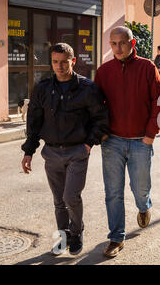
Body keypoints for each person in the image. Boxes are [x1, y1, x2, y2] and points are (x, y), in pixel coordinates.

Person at [21, 43, 109, 256]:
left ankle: (77, 232)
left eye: (63, 62)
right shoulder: (42, 88)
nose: (59, 66)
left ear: (73, 61)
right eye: (55, 62)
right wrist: (28, 152)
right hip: (51, 153)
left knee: (71, 196)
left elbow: (101, 118)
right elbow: (34, 122)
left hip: (77, 151)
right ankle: (62, 237)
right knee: (59, 201)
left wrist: (89, 143)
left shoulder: (87, 88)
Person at [94, 26, 160, 258]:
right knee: (113, 192)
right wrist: (102, 133)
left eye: (122, 43)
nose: (118, 48)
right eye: (113, 44)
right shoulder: (104, 71)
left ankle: (144, 206)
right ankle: (116, 237)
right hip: (112, 143)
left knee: (140, 188)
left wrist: (150, 135)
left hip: (140, 142)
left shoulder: (147, 67)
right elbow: (96, 107)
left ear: (132, 43)